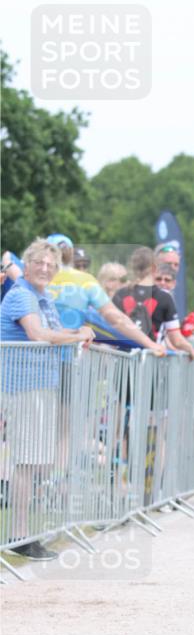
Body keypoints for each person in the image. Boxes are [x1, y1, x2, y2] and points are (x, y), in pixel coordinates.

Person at [0, 239, 95, 561]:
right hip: (23, 387)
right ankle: (19, 535)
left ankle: (25, 532)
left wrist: (79, 333)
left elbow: (53, 333)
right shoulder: (23, 295)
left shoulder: (43, 297)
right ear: (25, 265)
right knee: (27, 462)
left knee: (36, 461)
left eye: (50, 265)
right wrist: (78, 335)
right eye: (38, 263)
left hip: (41, 387)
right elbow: (37, 335)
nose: (44, 268)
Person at [45, 234, 163, 355]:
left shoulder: (34, 277)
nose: (82, 268)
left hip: (36, 356)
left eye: (84, 265)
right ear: (70, 257)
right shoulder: (84, 280)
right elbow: (117, 319)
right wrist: (149, 344)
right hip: (67, 355)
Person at [113, 247, 194, 357]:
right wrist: (190, 349)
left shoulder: (120, 294)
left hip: (121, 359)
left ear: (132, 268)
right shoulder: (164, 297)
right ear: (155, 268)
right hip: (150, 358)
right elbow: (176, 340)